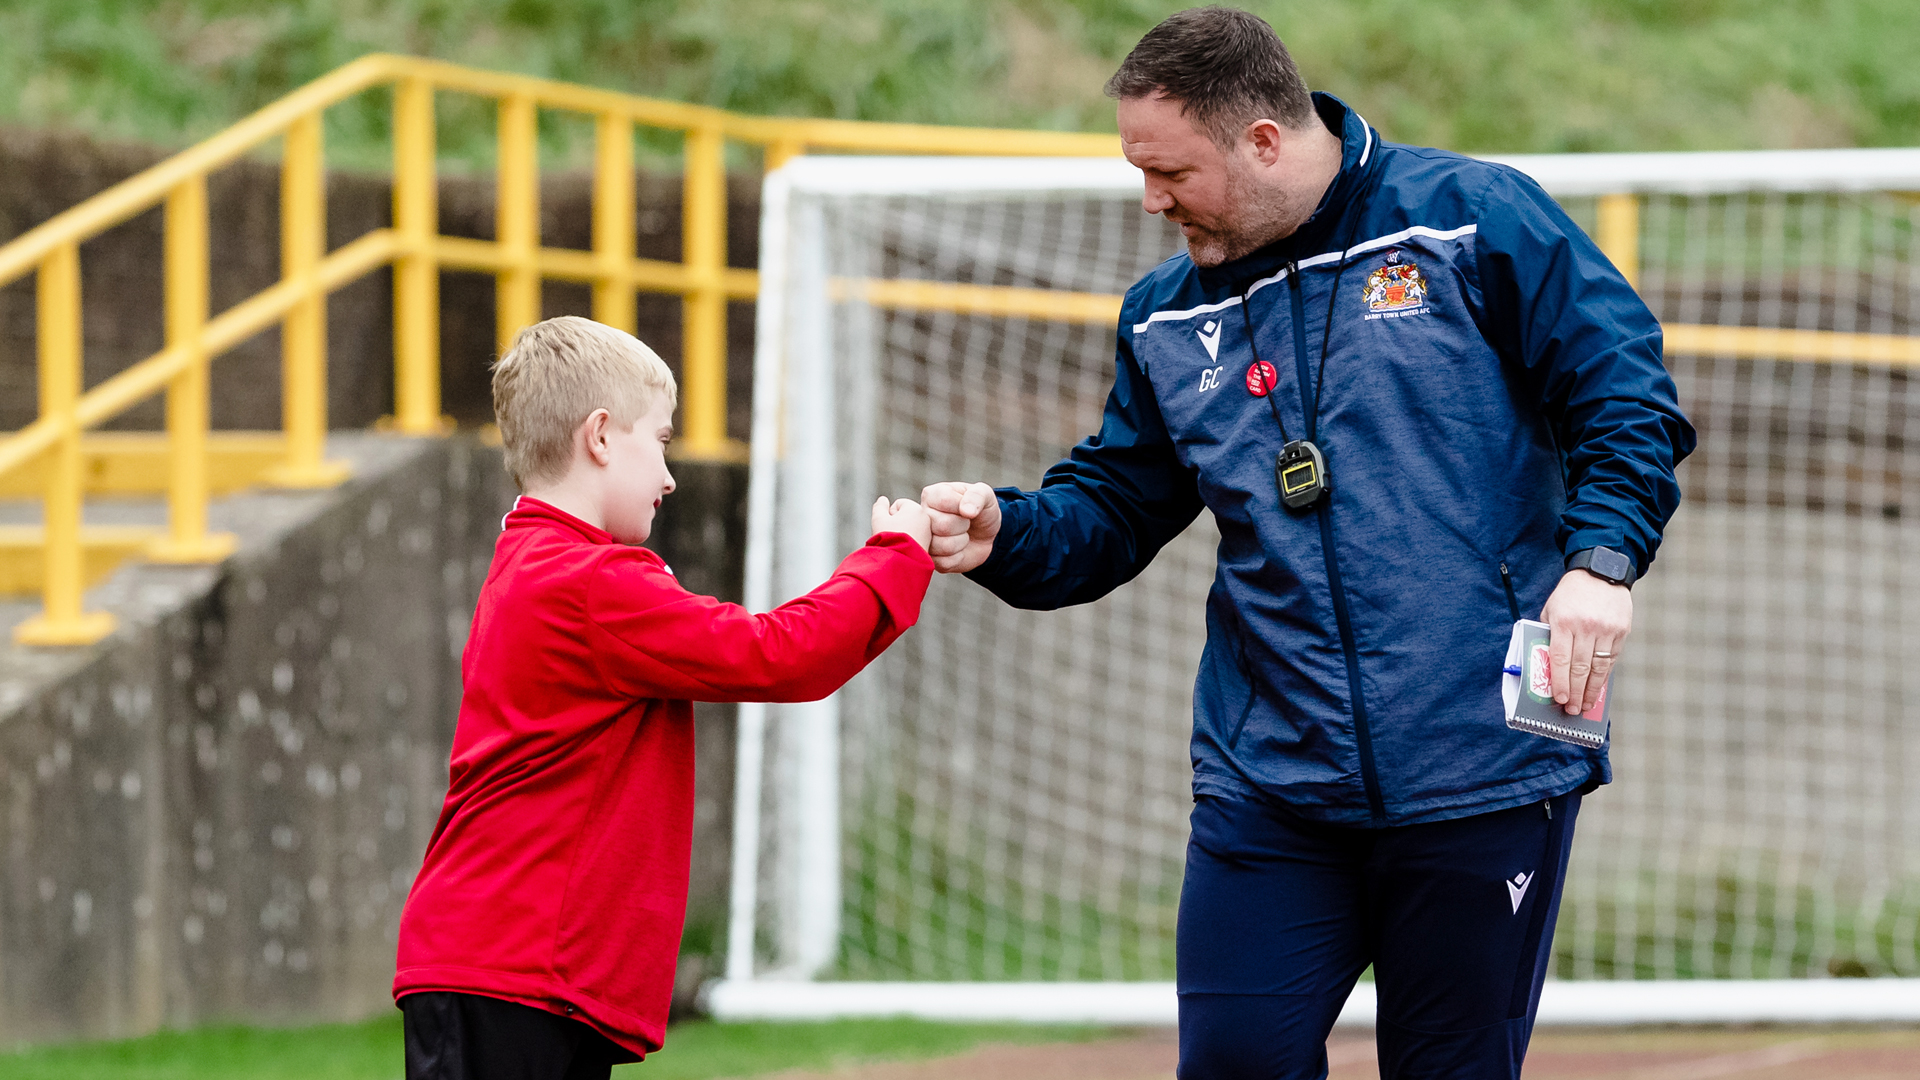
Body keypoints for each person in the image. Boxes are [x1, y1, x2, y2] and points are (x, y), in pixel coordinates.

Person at [920, 8, 1696, 1079]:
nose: (1151, 200)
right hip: (1269, 785)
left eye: (1170, 171)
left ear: (1264, 142)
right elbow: (1111, 510)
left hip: (1484, 766)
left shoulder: (1472, 221)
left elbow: (1626, 397)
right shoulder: (1161, 317)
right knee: (1234, 1066)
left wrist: (1599, 564)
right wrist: (1007, 530)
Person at [393, 316, 935, 1079]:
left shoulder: (536, 560)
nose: (671, 475)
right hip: (511, 974)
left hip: (510, 971)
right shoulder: (592, 581)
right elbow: (779, 655)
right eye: (664, 441)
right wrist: (894, 556)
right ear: (602, 436)